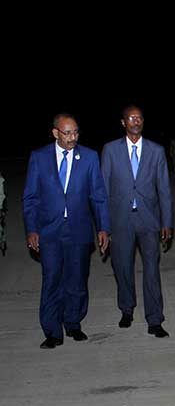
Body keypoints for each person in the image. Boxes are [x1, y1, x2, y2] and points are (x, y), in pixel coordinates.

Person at [23, 113, 110, 348]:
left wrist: (103, 227)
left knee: (77, 280)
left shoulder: (89, 157)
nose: (73, 138)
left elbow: (98, 196)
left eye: (76, 132)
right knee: (51, 280)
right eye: (67, 133)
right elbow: (30, 197)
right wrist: (32, 229)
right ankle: (52, 331)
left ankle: (73, 323)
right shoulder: (39, 157)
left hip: (79, 231)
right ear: (55, 133)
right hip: (49, 232)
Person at [101, 105, 173, 338]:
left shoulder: (156, 150)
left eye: (140, 117)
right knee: (122, 268)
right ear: (123, 122)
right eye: (131, 118)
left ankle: (155, 319)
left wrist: (167, 221)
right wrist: (104, 225)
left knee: (152, 269)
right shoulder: (110, 150)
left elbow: (164, 189)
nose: (136, 121)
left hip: (149, 221)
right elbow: (103, 190)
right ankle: (126, 309)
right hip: (120, 220)